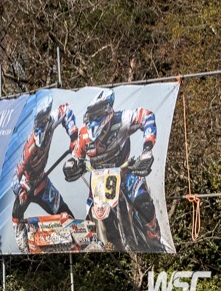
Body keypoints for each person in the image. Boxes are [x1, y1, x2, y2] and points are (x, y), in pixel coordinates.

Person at [59, 88, 161, 246]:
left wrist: (147, 149)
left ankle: (154, 236)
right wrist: (72, 164)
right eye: (92, 115)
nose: (94, 118)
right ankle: (107, 245)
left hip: (125, 172)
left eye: (97, 113)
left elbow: (147, 116)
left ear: (107, 111)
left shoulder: (122, 119)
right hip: (99, 181)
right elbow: (76, 156)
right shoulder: (84, 134)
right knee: (93, 218)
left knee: (143, 201)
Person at [11, 96, 74, 250]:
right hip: (26, 185)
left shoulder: (50, 121)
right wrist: (19, 191)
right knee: (16, 213)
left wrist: (73, 135)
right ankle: (23, 246)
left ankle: (74, 233)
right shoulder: (28, 149)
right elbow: (14, 177)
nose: (41, 146)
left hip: (42, 182)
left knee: (62, 209)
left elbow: (65, 109)